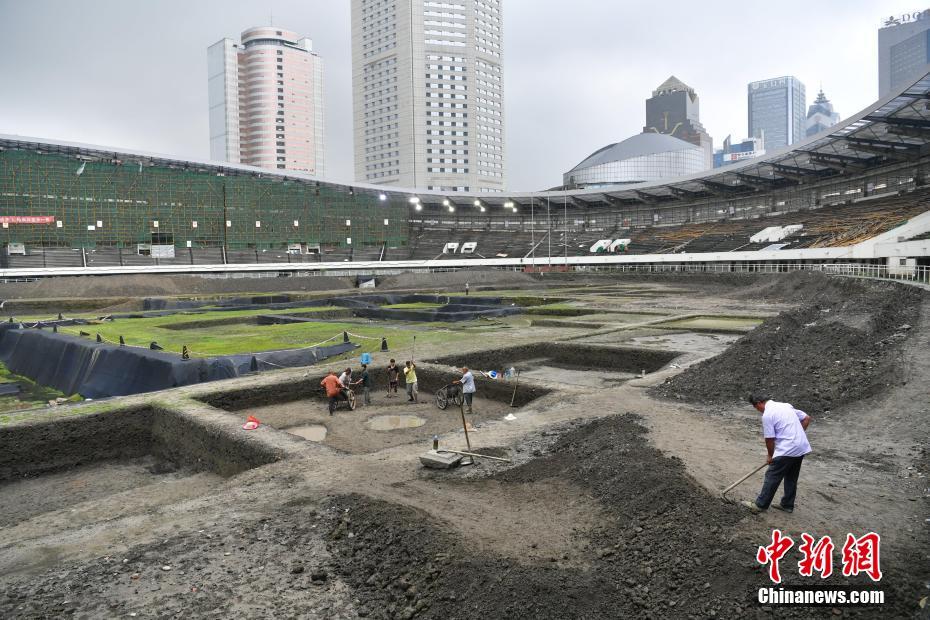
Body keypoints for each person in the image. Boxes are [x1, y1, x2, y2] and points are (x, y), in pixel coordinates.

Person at [742, 394, 812, 514]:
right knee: (791, 477)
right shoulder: (785, 406)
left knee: (772, 475)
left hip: (787, 449)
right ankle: (787, 505)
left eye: (756, 408)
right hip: (801, 447)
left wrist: (770, 455)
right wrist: (797, 434)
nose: (758, 411)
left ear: (759, 403)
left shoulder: (768, 415)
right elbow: (806, 418)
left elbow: (769, 438)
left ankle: (760, 505)